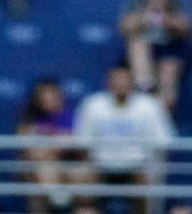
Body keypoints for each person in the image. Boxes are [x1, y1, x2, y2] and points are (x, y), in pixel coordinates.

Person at [72, 64, 175, 214]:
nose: (120, 83)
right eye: (116, 79)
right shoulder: (93, 104)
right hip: (101, 165)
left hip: (138, 165)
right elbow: (82, 143)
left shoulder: (150, 106)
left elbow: (164, 142)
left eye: (124, 79)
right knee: (82, 183)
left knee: (146, 184)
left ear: (132, 81)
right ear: (108, 82)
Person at [118, 0, 190, 106]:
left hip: (170, 48)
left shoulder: (177, 0)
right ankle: (145, 91)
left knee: (168, 69)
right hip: (143, 48)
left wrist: (167, 20)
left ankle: (162, 113)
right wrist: (145, 17)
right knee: (137, 45)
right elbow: (124, 26)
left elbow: (186, 27)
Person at [16, 75, 78, 211]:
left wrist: (47, 149)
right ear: (37, 98)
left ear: (59, 96)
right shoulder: (28, 118)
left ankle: (59, 199)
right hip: (36, 166)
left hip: (64, 164)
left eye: (52, 94)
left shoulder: (69, 115)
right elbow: (26, 146)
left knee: (45, 172)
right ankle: (59, 199)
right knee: (39, 173)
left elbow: (69, 144)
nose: (48, 98)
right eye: (44, 94)